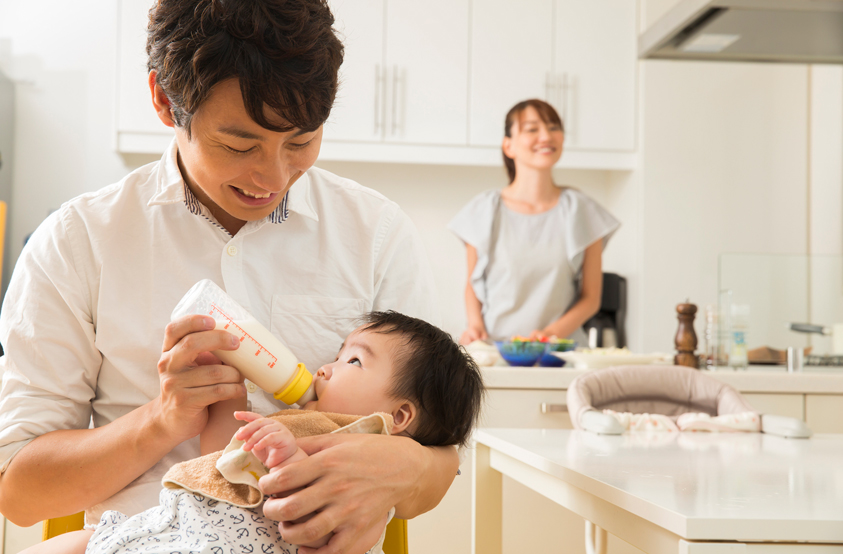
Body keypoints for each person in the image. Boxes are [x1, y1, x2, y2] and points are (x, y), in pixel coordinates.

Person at [0, 2, 458, 552]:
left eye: (301, 141)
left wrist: (400, 468)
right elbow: (19, 492)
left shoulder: (375, 232)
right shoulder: (79, 242)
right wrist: (163, 421)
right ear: (165, 102)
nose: (273, 176)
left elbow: (444, 454)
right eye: (239, 145)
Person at [24, 311, 484, 554]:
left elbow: (307, 502)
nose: (326, 367)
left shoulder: (366, 444)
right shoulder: (306, 419)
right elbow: (222, 463)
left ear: (399, 418)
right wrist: (225, 387)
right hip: (168, 527)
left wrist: (286, 456)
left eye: (354, 361)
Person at [449, 99, 620, 346]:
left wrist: (549, 335)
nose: (546, 136)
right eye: (532, 129)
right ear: (508, 146)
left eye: (553, 127)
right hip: (496, 352)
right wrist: (475, 326)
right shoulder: (484, 210)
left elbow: (591, 298)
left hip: (560, 354)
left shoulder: (582, 211)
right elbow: (472, 287)